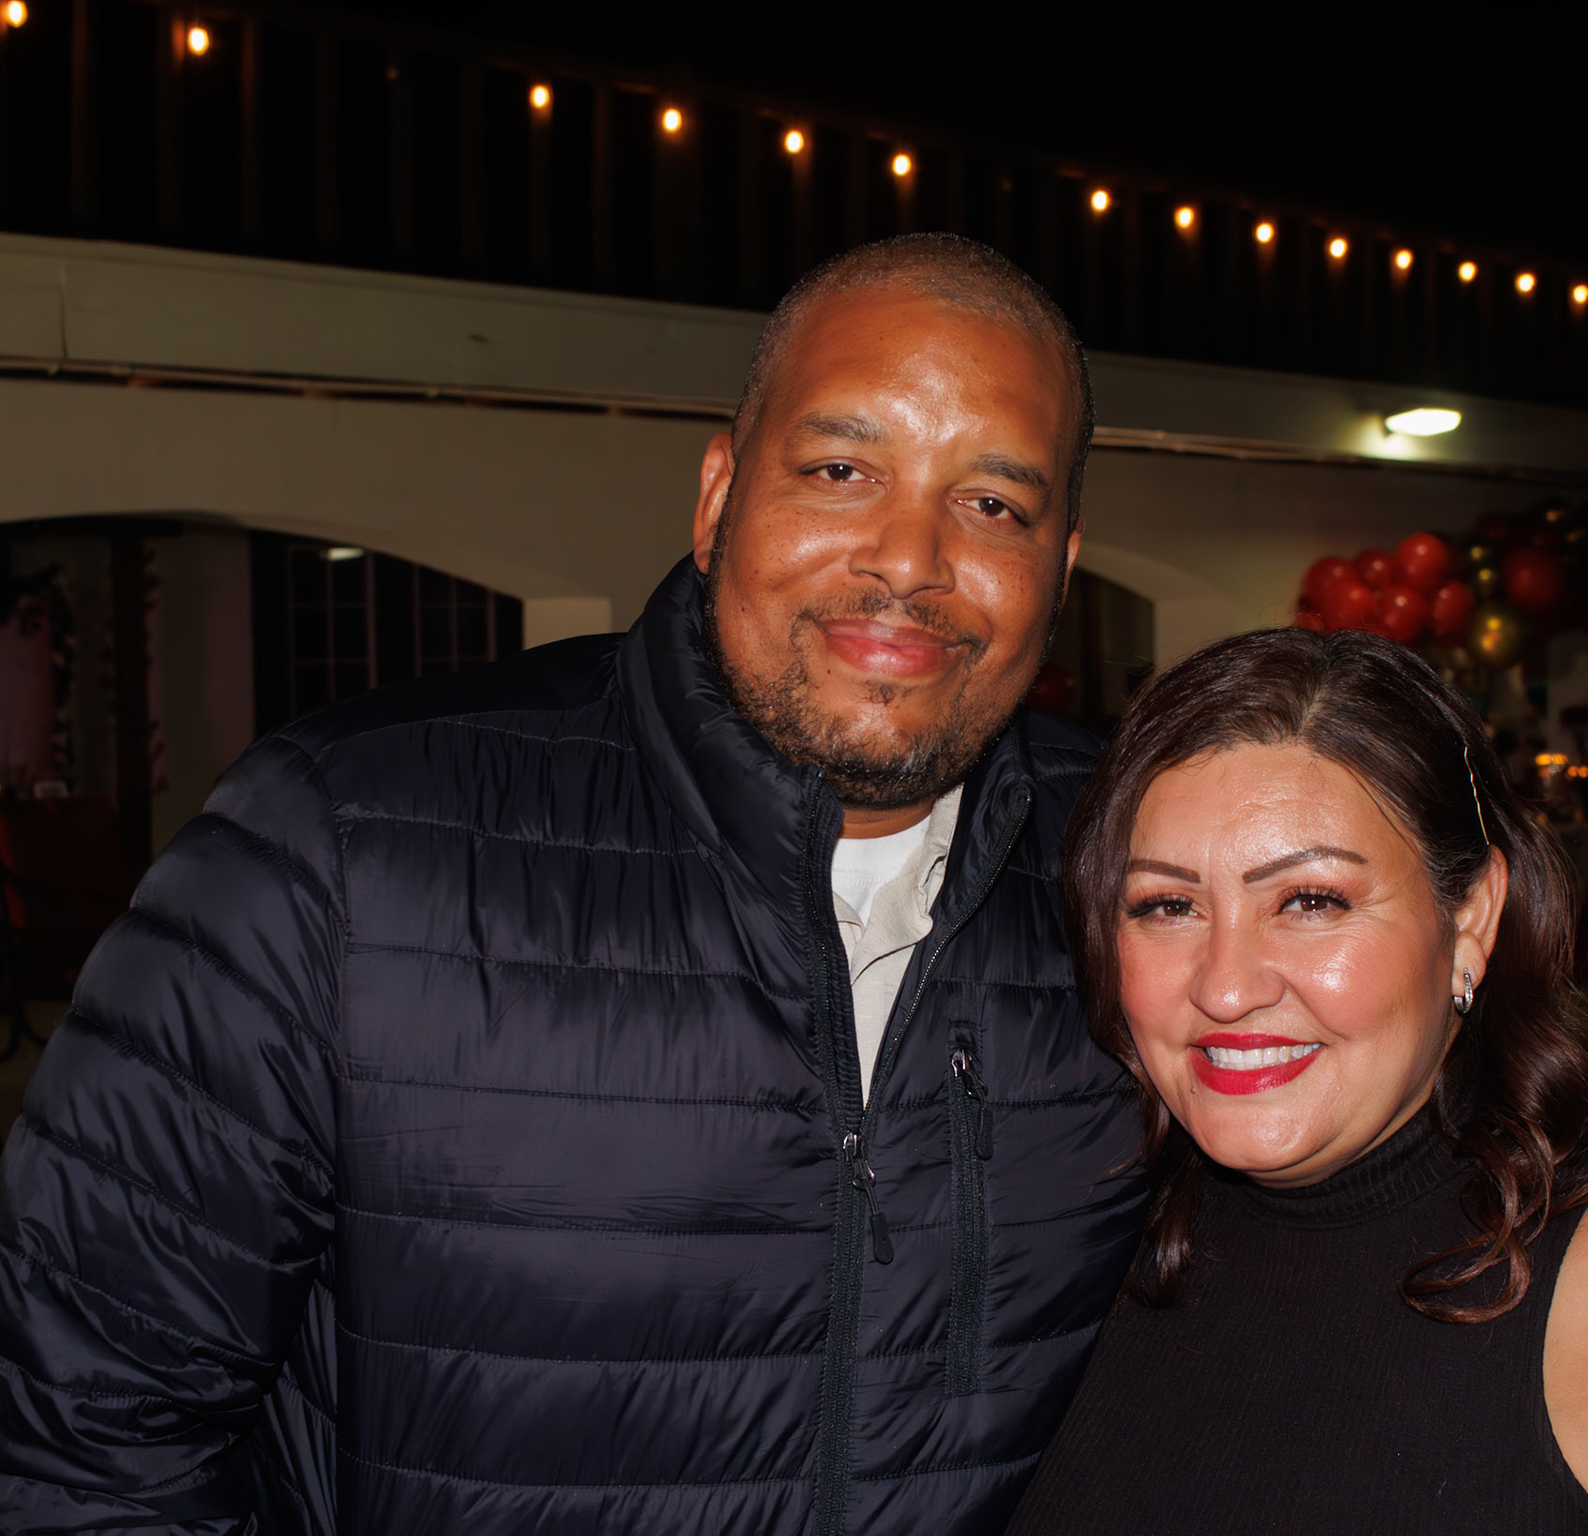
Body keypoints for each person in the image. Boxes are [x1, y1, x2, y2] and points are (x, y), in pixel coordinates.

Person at [0, 235, 1148, 1536]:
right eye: (841, 470)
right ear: (718, 498)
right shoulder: (339, 846)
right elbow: (76, 1449)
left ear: (1061, 566)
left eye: (993, 504)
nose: (909, 558)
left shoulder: (1147, 882)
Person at [1010, 627, 1588, 1536]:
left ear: (1472, 918)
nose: (1225, 986)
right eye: (1168, 905)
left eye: (1311, 901)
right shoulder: (1070, 1240)